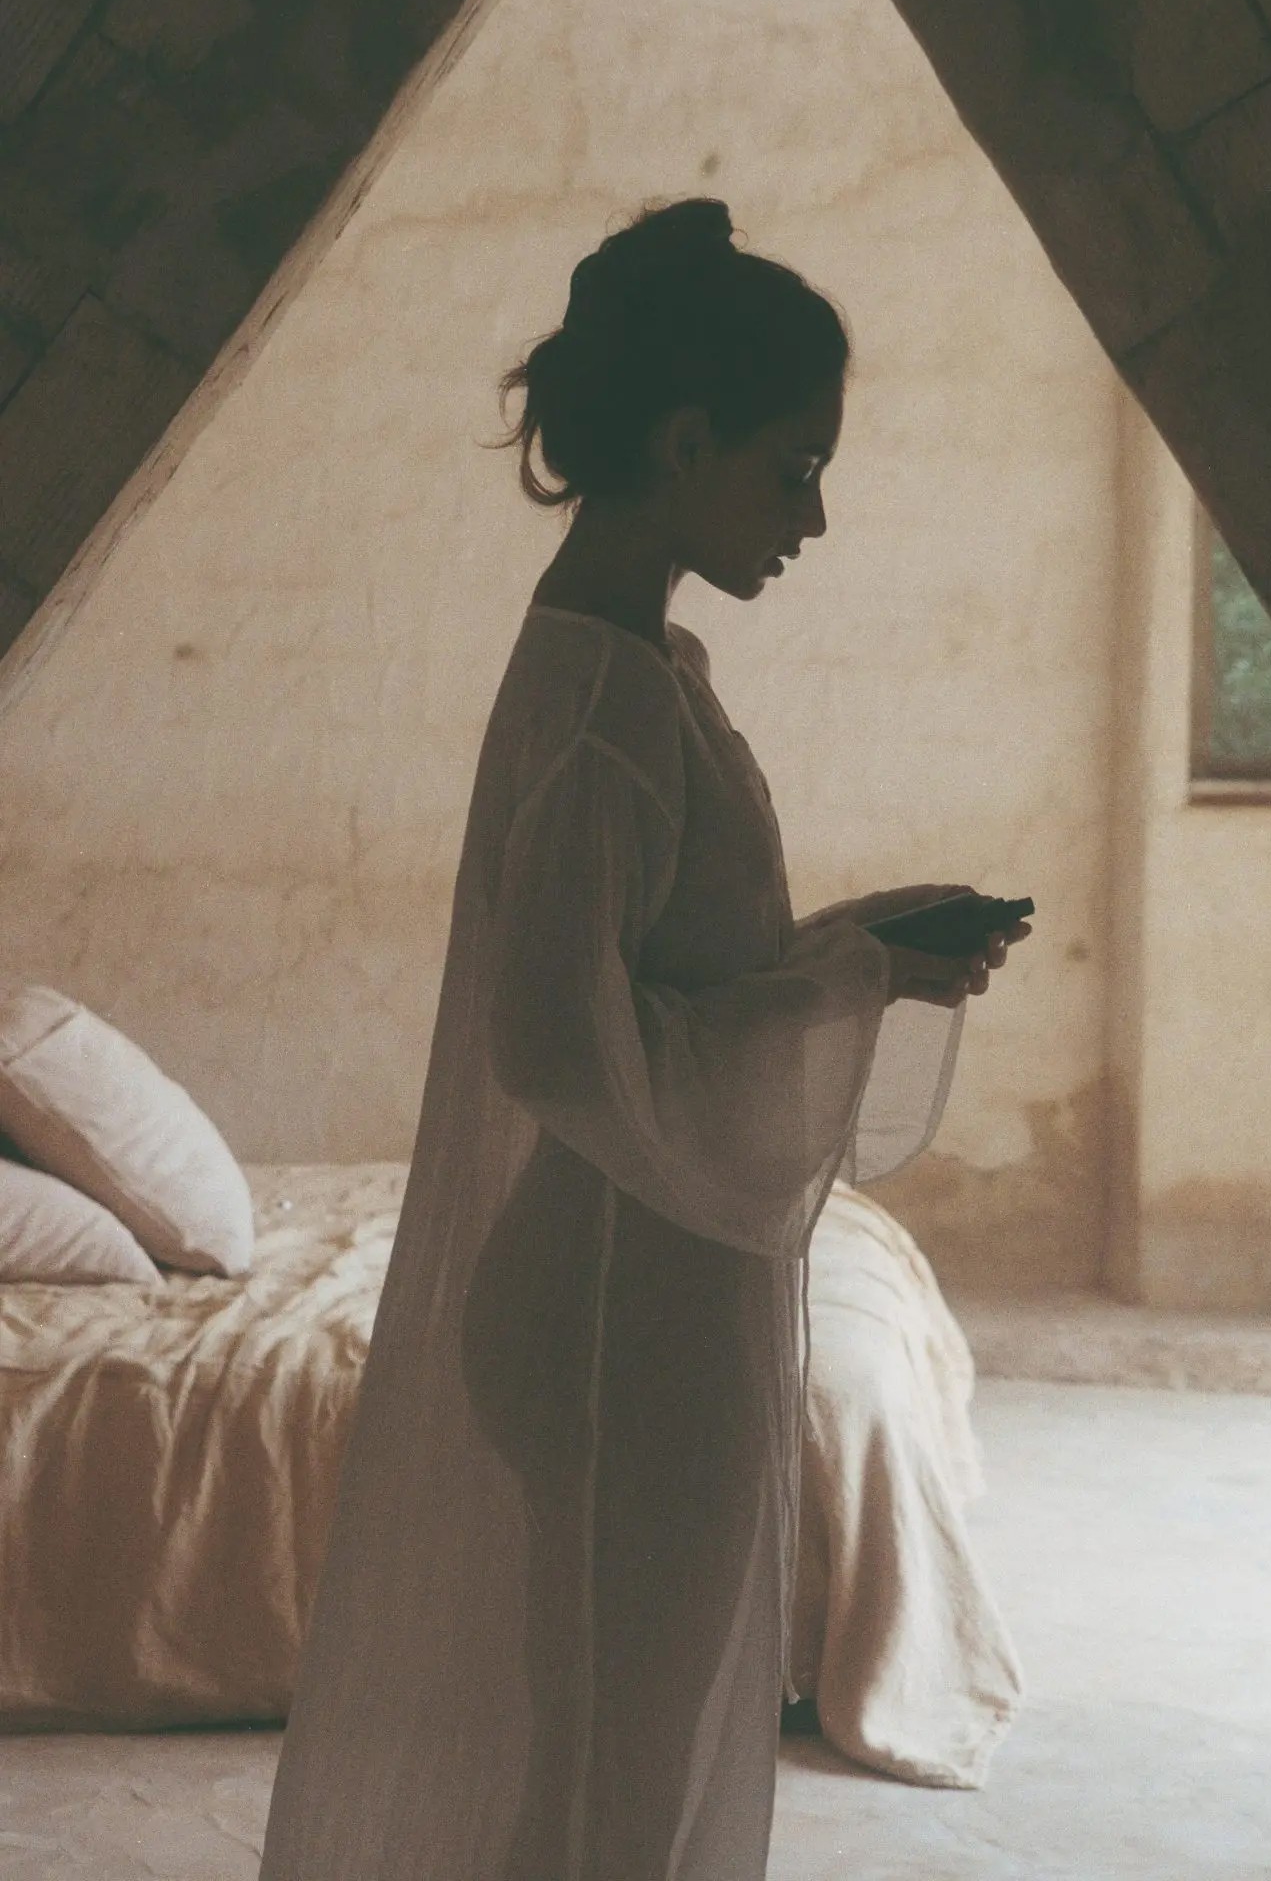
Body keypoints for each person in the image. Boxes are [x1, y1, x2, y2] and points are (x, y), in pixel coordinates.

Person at [257, 197, 1030, 1881]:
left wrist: (855, 947)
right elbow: (559, 1051)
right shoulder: (606, 713)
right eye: (792, 467)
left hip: (629, 1292)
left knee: (614, 1772)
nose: (815, 515)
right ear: (685, 442)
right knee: (620, 1793)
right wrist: (846, 984)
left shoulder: (622, 668)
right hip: (619, 1317)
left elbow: (663, 987)